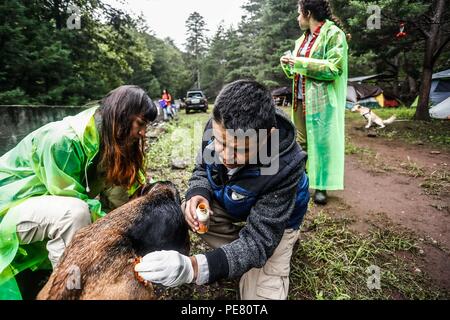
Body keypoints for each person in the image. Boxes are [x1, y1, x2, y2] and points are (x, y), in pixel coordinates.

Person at [135, 80, 310, 300]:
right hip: (236, 201)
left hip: (278, 218)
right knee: (192, 214)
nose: (225, 156)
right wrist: (198, 194)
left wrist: (194, 268)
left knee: (259, 295)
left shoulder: (286, 167)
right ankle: (245, 252)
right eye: (220, 142)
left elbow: (259, 240)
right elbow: (202, 168)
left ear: (268, 136)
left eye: (239, 149)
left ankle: (280, 243)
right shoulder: (217, 125)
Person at [0, 85, 157, 299]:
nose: (142, 133)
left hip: (41, 205)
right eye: (140, 123)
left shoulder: (107, 137)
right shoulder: (63, 140)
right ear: (122, 115)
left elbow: (120, 190)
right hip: (9, 206)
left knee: (104, 198)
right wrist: (113, 228)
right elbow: (67, 198)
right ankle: (68, 291)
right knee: (76, 213)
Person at [280, 0, 348, 204]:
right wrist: (288, 64)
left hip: (322, 101)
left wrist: (299, 62)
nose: (297, 18)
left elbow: (334, 68)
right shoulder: (301, 40)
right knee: (300, 144)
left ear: (308, 13)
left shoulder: (334, 34)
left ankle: (322, 187)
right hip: (300, 100)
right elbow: (296, 73)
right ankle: (300, 182)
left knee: (322, 144)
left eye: (299, 13)